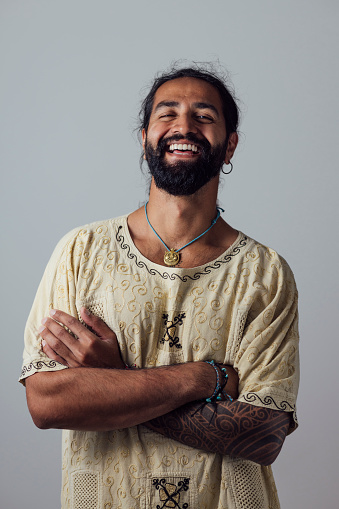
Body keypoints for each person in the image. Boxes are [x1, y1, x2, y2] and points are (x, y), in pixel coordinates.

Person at [20, 64, 299, 509]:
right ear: (145, 138)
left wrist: (110, 383)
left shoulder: (264, 273)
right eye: (167, 114)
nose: (183, 126)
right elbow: (48, 402)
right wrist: (206, 377)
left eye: (204, 116)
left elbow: (262, 435)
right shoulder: (81, 252)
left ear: (230, 146)